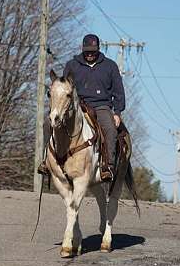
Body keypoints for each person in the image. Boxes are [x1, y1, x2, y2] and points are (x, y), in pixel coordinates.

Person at [38, 33, 125, 182]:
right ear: (82, 49)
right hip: (77, 106)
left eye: (93, 51)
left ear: (98, 49)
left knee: (110, 128)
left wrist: (117, 112)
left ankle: (107, 166)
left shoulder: (110, 66)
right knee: (48, 124)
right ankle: (46, 160)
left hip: (101, 105)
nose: (90, 54)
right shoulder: (72, 65)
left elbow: (118, 91)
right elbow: (63, 88)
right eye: (87, 51)